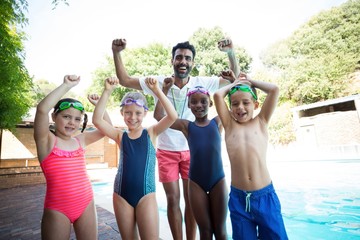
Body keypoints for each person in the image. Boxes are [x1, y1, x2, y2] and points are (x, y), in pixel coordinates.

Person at [112, 37, 237, 240]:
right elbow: (125, 80)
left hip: (191, 152)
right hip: (166, 150)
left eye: (188, 58)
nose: (183, 61)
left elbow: (234, 78)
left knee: (191, 200)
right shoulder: (158, 82)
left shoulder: (202, 83)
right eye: (179, 57)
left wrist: (231, 53)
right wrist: (117, 53)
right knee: (173, 199)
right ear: (172, 61)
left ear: (193, 63)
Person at [92, 76, 177, 239]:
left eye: (138, 113)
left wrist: (157, 90)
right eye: (128, 113)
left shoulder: (151, 133)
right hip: (121, 194)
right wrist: (107, 91)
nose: (132, 117)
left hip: (146, 195)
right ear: (122, 113)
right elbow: (97, 120)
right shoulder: (120, 135)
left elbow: (172, 116)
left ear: (145, 113)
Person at [33, 75, 111, 240]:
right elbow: (41, 110)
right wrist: (66, 85)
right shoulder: (46, 141)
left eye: (77, 119)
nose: (72, 123)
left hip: (86, 202)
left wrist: (100, 105)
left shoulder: (80, 140)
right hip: (57, 208)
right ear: (54, 117)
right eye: (66, 116)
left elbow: (107, 129)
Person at [213, 72, 288, 239]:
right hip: (239, 199)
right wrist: (235, 83)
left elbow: (274, 90)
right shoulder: (229, 125)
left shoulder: (261, 122)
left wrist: (249, 81)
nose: (240, 107)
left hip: (265, 196)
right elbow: (218, 95)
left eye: (246, 102)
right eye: (234, 104)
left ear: (255, 104)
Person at [154, 81, 228, 240]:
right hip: (196, 184)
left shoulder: (217, 122)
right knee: (205, 231)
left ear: (211, 103)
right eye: (193, 102)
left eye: (203, 101)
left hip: (218, 181)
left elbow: (231, 101)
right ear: (188, 105)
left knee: (221, 231)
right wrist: (164, 90)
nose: (199, 105)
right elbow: (159, 116)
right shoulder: (186, 126)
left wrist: (235, 79)